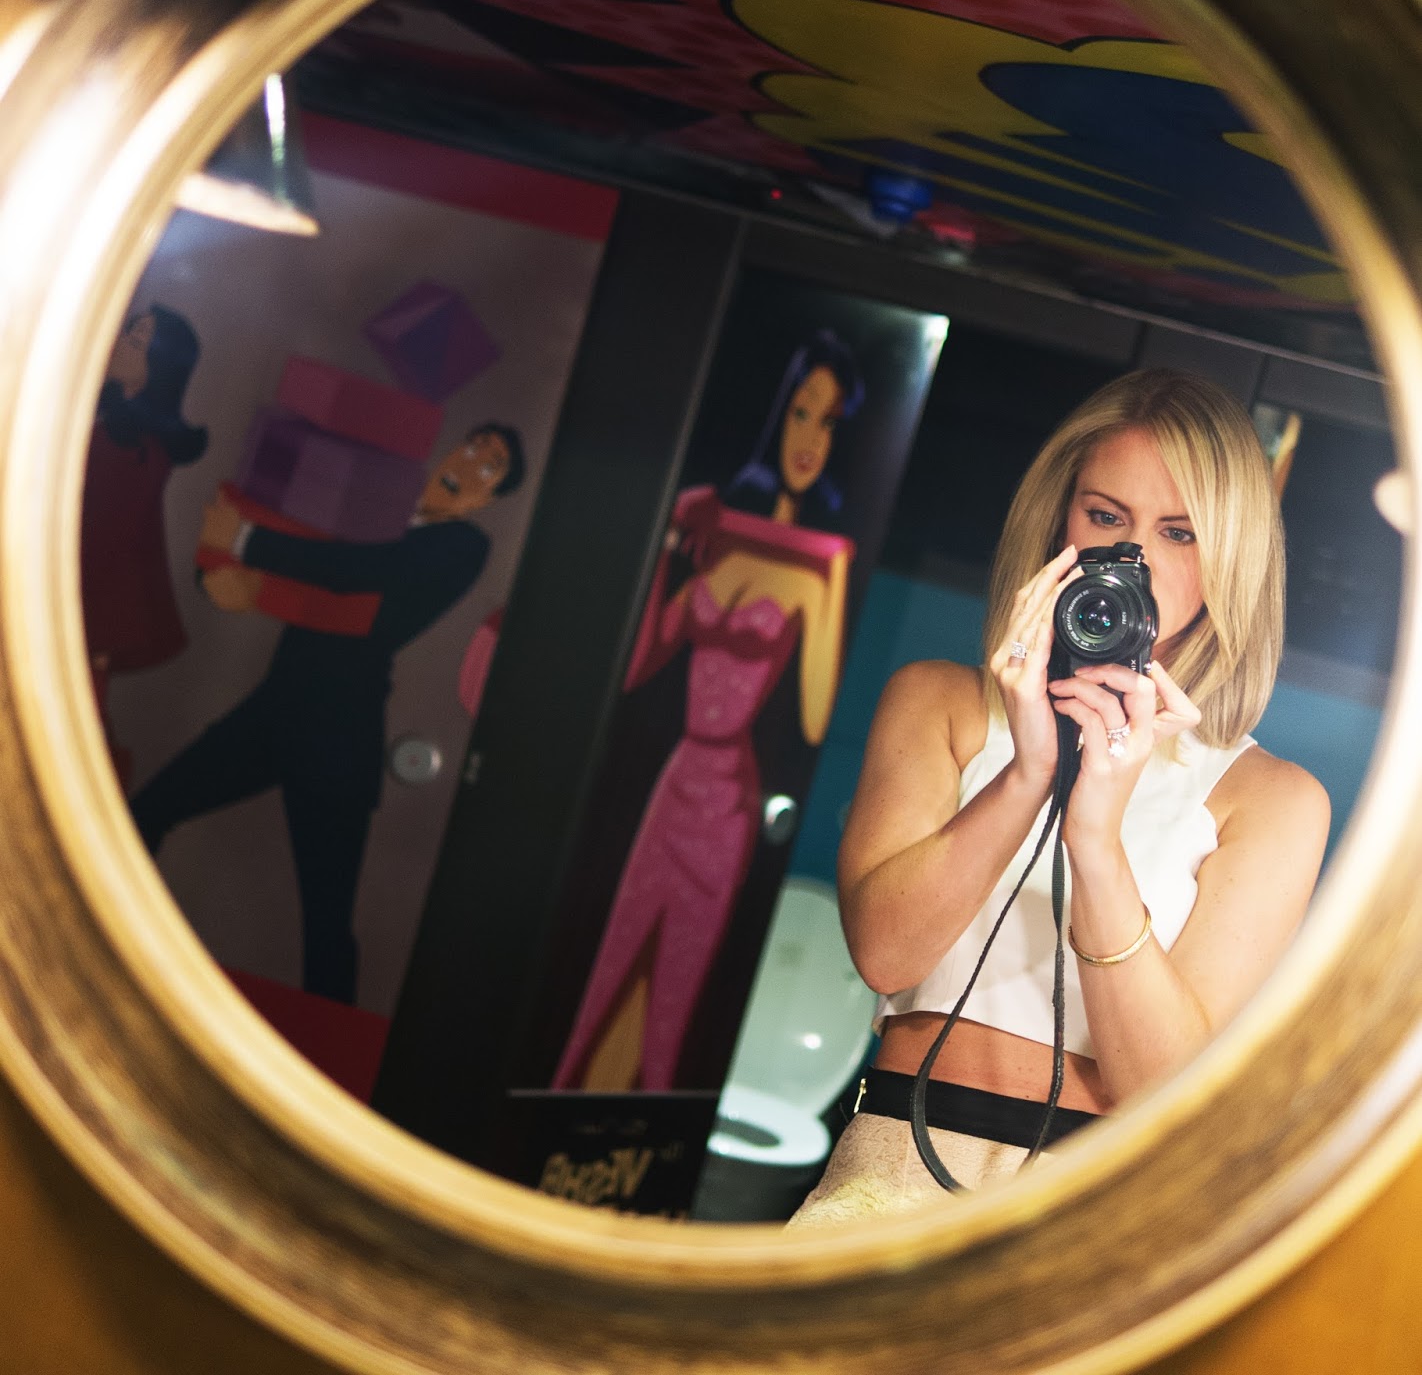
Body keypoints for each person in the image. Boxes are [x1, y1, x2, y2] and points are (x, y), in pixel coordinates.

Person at [788, 367, 1329, 1223]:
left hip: (1091, 1212)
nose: (1134, 559)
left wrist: (1097, 839)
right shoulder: (939, 702)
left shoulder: (1271, 800)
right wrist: (1028, 772)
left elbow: (1164, 1088)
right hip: (886, 1177)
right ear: (1060, 521)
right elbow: (886, 955)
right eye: (1106, 517)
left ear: (1232, 557)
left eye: (1180, 532)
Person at [552, 330, 862, 1092]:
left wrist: (832, 587)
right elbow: (639, 666)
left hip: (729, 799)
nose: (810, 438)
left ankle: (633, 1137)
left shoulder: (816, 571)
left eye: (828, 423)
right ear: (777, 416)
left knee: (677, 989)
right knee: (611, 960)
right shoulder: (716, 540)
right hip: (673, 778)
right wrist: (666, 550)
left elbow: (814, 719)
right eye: (801, 413)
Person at [129, 422, 525, 1005]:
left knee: (326, 926)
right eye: (472, 447)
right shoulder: (378, 508)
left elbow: (354, 574)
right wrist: (220, 572)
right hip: (275, 712)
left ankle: (327, 1046)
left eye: (490, 467)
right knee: (146, 814)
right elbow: (300, 554)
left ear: (486, 500)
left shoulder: (462, 546)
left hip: (337, 743)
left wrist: (246, 542)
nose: (470, 464)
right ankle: (108, 948)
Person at [81, 304, 208, 787]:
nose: (117, 343)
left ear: (158, 369)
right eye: (127, 331)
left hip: (86, 617)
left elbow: (105, 543)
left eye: (135, 341)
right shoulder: (109, 424)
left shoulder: (134, 450)